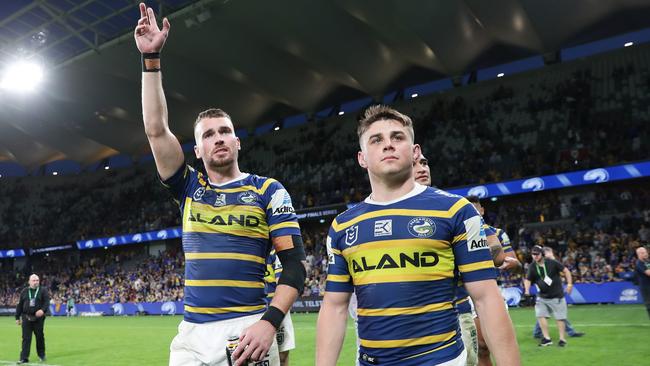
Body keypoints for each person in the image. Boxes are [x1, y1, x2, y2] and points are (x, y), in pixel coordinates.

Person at [134, 4, 306, 365]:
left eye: (225, 131)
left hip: (247, 328)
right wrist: (151, 59)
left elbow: (294, 265)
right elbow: (155, 129)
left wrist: (269, 323)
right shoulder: (188, 187)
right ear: (197, 149)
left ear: (238, 141)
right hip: (192, 333)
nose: (219, 138)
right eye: (209, 134)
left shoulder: (267, 190)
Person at [316, 105, 520, 365]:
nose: (388, 145)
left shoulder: (456, 210)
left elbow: (486, 298)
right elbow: (334, 306)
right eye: (376, 140)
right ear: (362, 158)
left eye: (397, 137)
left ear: (414, 152)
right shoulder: (343, 226)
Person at [347, 151, 433, 366]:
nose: (422, 168)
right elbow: (341, 301)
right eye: (416, 164)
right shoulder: (354, 222)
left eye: (424, 163)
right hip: (375, 338)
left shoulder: (448, 210)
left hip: (437, 341)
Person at [464, 196, 521, 366]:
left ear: (482, 211)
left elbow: (511, 260)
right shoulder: (457, 232)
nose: (472, 212)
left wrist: (513, 264)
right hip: (465, 295)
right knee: (481, 348)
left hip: (490, 290)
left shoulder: (497, 233)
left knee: (493, 346)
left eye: (475, 208)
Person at [524, 245, 573, 347]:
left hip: (557, 296)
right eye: (533, 254)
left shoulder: (552, 263)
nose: (535, 256)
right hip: (542, 297)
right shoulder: (532, 266)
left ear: (542, 254)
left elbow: (566, 271)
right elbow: (528, 279)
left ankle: (562, 339)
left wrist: (569, 284)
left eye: (537, 254)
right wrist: (527, 291)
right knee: (540, 315)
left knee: (560, 318)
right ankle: (547, 339)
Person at [532, 247, 584, 338]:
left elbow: (560, 272)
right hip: (546, 292)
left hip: (552, 291)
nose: (552, 255)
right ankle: (570, 332)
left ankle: (537, 332)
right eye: (550, 253)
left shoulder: (551, 263)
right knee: (554, 313)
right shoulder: (545, 263)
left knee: (547, 313)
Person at [265, 250, 296, 366]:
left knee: (282, 355)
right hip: (256, 309)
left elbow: (281, 281)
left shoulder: (274, 252)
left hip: (277, 308)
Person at [15, 274, 50, 363]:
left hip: (38, 319)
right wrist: (17, 317)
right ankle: (24, 358)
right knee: (26, 338)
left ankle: (41, 355)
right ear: (29, 282)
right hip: (26, 317)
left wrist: (42, 310)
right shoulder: (24, 291)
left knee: (40, 337)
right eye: (34, 280)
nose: (35, 282)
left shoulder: (43, 290)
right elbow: (19, 305)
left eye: (37, 280)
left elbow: (46, 302)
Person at [635, 246, 650, 319]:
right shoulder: (639, 263)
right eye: (643, 253)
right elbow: (648, 273)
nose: (646, 254)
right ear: (639, 254)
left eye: (646, 252)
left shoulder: (647, 261)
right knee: (649, 304)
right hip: (645, 287)